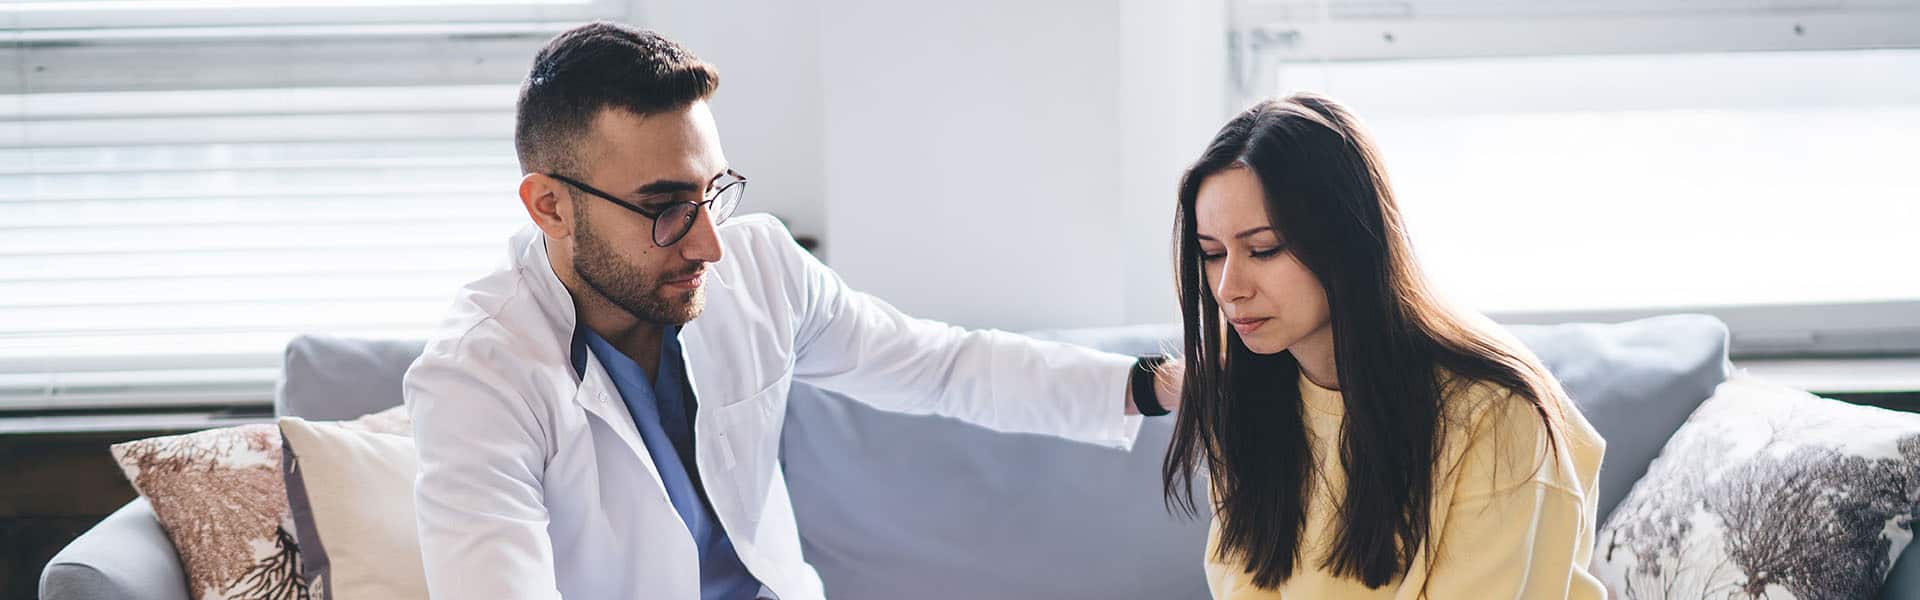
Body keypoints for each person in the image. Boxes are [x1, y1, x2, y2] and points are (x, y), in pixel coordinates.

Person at [404, 21, 1180, 600]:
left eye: (712, 192)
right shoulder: (476, 380)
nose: (710, 243)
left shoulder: (759, 265)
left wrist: (1153, 385)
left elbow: (940, 366)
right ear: (550, 207)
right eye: (666, 207)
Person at [1161, 93, 1607, 599]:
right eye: (1213, 254)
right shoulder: (1247, 394)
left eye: (1264, 249)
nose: (1229, 288)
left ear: (1347, 237)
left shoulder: (1497, 415)